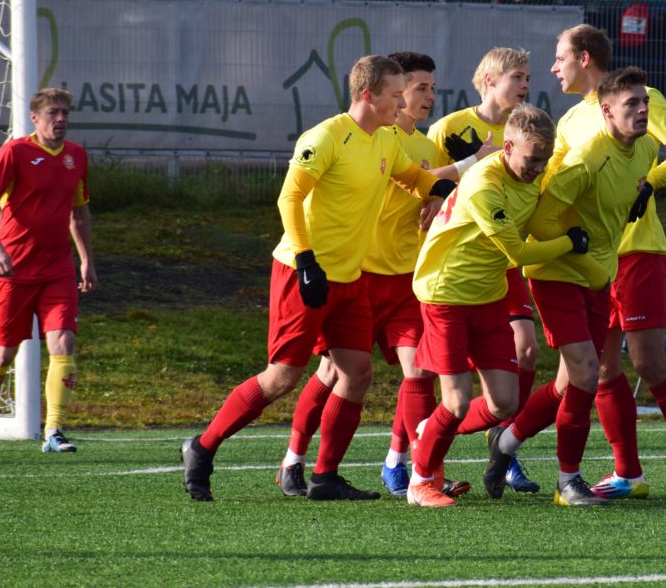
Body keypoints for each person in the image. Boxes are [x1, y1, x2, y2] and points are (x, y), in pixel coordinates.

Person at [181, 55, 455, 502]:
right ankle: (203, 447)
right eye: (395, 94)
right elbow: (289, 198)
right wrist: (306, 259)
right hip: (302, 272)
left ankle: (325, 477)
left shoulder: (386, 140)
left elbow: (416, 180)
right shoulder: (326, 136)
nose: (403, 102)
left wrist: (462, 179)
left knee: (357, 373)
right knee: (282, 377)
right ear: (368, 95)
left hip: (351, 279)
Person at [274, 52, 482, 498]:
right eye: (417, 88)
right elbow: (415, 180)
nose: (425, 96)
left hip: (405, 276)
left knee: (418, 371)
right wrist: (472, 164)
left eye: (430, 88)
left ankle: (415, 469)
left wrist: (451, 187)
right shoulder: (370, 137)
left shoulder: (422, 145)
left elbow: (426, 186)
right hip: (360, 272)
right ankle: (294, 458)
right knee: (330, 373)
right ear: (388, 93)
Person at [547, 24, 666, 502]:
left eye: (559, 57)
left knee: (648, 362)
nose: (554, 67)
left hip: (639, 251)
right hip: (595, 261)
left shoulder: (639, 97)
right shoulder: (569, 121)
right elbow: (552, 183)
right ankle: (629, 473)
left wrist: (650, 184)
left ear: (583, 58)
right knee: (602, 369)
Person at [406, 104, 593, 507]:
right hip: (446, 293)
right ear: (507, 148)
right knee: (456, 400)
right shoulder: (484, 184)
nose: (538, 169)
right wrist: (570, 243)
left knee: (504, 403)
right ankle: (419, 482)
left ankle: (429, 428)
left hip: (488, 295)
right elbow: (517, 253)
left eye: (544, 160)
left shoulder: (533, 174)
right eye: (532, 159)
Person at [487, 67, 658, 507]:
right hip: (558, 274)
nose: (642, 110)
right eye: (632, 104)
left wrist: (642, 192)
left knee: (570, 382)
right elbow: (542, 223)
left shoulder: (646, 148)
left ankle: (505, 442)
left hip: (598, 277)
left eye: (645, 102)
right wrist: (581, 255)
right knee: (586, 373)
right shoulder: (586, 158)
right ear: (607, 112)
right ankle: (568, 482)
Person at [426, 47, 542, 494]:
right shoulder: (451, 127)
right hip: (458, 263)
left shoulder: (532, 129)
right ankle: (413, 457)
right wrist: (472, 162)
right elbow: (428, 185)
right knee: (435, 378)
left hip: (505, 261)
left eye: (528, 77)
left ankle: (504, 444)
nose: (526, 84)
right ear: (490, 79)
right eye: (518, 76)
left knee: (525, 352)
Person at [0, 88, 96, 453]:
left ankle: (53, 431)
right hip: (14, 270)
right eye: (53, 112)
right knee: (3, 356)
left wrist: (86, 260)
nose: (61, 118)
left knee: (64, 341)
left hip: (57, 269)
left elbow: (78, 212)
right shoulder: (14, 153)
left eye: (65, 112)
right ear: (34, 118)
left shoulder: (76, 156)